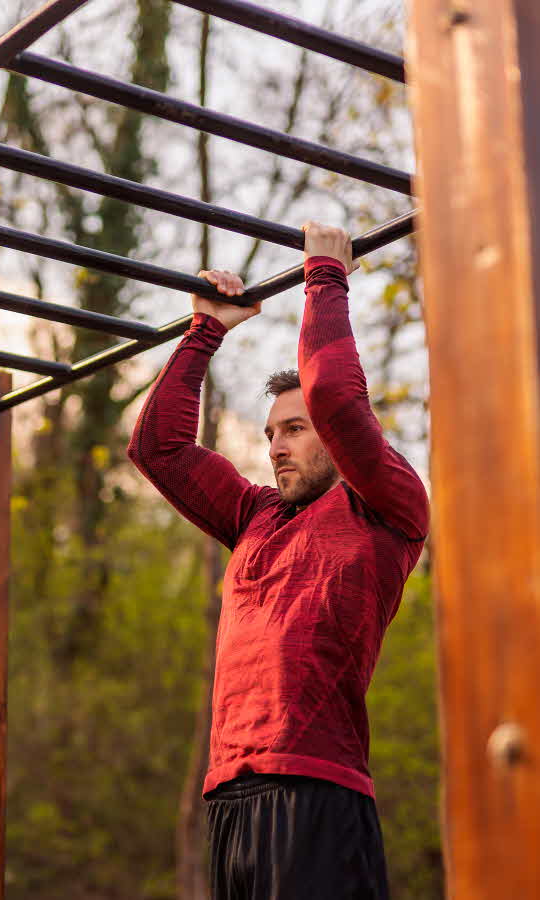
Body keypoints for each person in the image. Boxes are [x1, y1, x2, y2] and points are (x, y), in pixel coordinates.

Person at [126, 222, 429, 899]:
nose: (276, 446)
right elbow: (158, 450)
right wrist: (205, 332)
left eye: (294, 429)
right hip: (229, 797)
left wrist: (326, 276)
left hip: (316, 791)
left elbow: (337, 398)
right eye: (269, 434)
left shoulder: (385, 505)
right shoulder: (254, 516)